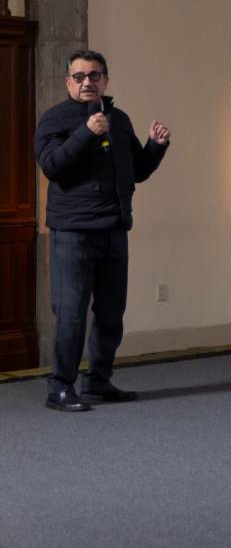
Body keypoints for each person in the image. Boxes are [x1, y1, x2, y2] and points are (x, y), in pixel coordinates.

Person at [34, 50, 171, 411]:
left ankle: (98, 381)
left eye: (94, 76)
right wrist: (85, 133)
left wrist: (156, 147)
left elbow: (136, 170)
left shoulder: (119, 120)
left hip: (113, 228)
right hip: (73, 232)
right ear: (68, 82)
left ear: (105, 80)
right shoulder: (54, 119)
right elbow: (52, 166)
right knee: (72, 312)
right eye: (79, 77)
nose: (87, 82)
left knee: (111, 312)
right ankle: (60, 387)